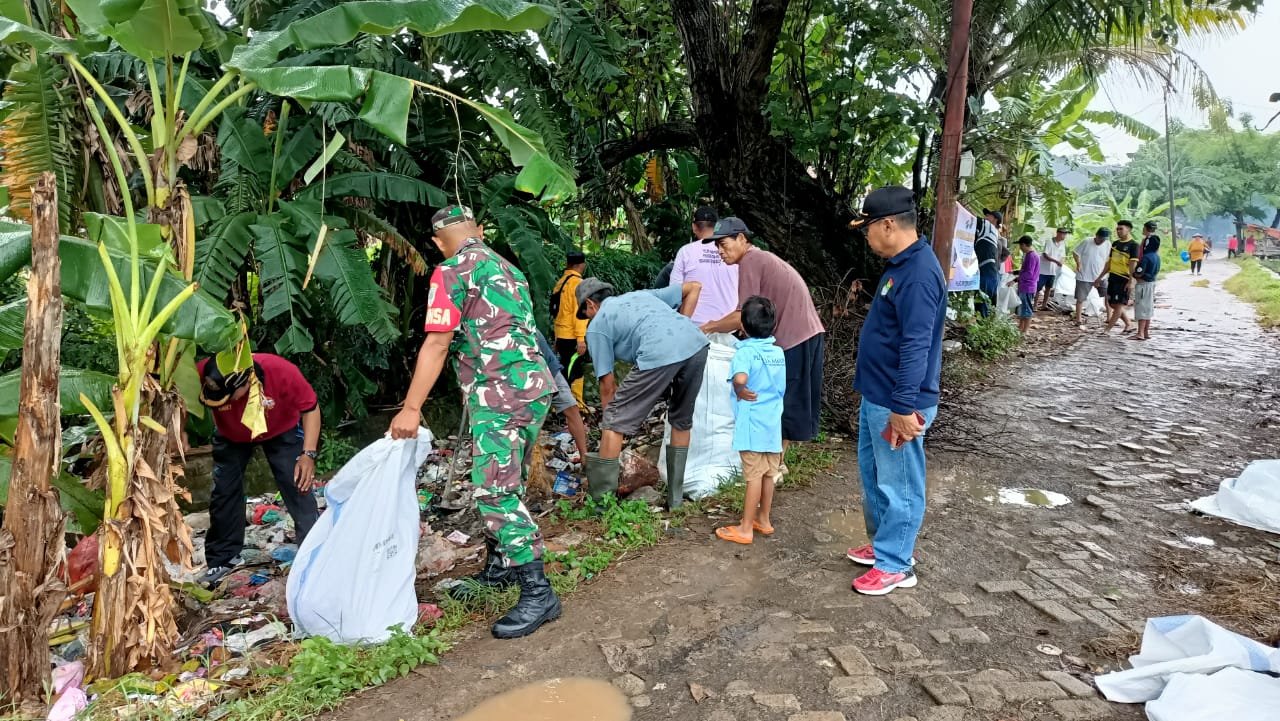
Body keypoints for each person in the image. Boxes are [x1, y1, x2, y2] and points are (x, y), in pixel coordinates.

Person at [389, 205, 559, 640]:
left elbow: (437, 343)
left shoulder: (450, 272)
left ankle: (538, 593)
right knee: (506, 480)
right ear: (478, 231)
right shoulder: (510, 270)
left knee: (494, 490)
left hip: (499, 394)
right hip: (533, 388)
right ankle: (501, 567)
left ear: (437, 242)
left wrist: (411, 408)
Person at [846, 187, 945, 596]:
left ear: (887, 224)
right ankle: (885, 544)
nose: (866, 236)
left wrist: (904, 406)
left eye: (867, 228)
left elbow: (916, 345)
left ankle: (897, 564)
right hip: (879, 395)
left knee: (900, 483)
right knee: (875, 477)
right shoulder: (899, 266)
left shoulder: (919, 274)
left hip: (898, 402)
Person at [701, 218, 825, 472]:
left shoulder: (751, 261)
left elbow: (741, 317)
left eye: (724, 244)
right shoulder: (759, 259)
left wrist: (708, 328)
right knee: (786, 397)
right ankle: (777, 463)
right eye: (717, 247)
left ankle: (775, 466)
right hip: (806, 332)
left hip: (796, 335)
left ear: (742, 239)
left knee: (785, 399)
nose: (720, 251)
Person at [577, 278, 708, 507]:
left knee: (613, 420)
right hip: (696, 343)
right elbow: (694, 286)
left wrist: (612, 424)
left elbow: (607, 386)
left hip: (658, 350)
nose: (588, 318)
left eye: (585, 313)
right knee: (681, 419)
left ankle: (602, 505)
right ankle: (676, 502)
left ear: (590, 304)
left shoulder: (598, 325)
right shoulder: (641, 295)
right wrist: (681, 327)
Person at [197, 353, 321, 587]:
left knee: (299, 485)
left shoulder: (282, 372)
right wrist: (180, 432)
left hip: (280, 429)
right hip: (231, 435)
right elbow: (177, 396)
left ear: (245, 383)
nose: (224, 404)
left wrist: (308, 454)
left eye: (228, 398)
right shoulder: (204, 370)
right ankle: (223, 560)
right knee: (224, 492)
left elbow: (311, 408)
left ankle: (315, 555)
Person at [714, 296, 787, 545]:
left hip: (752, 424)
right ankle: (763, 520)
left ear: (742, 326)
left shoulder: (744, 352)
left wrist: (739, 389)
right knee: (769, 473)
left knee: (753, 476)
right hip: (773, 424)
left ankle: (745, 528)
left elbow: (741, 378)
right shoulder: (778, 352)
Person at [670, 205, 739, 325]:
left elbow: (674, 292)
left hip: (693, 326)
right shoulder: (733, 252)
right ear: (718, 227)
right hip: (727, 326)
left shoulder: (686, 251)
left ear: (694, 227)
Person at [535, 329, 589, 464]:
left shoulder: (528, 328)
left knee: (571, 407)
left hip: (548, 368)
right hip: (522, 373)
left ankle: (585, 458)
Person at [552, 250, 589, 406]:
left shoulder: (561, 282)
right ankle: (576, 404)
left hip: (561, 335)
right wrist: (580, 339)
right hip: (572, 337)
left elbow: (557, 313)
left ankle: (562, 404)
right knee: (575, 371)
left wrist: (556, 338)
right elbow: (578, 314)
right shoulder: (578, 284)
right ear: (582, 265)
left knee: (565, 368)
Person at [1103, 220, 1140, 334]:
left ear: (1128, 230)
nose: (1118, 231)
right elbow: (1109, 263)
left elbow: (1133, 264)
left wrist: (1131, 280)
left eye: (1121, 229)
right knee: (1112, 304)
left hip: (1124, 278)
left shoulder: (1133, 245)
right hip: (1113, 277)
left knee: (1118, 305)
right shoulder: (1115, 244)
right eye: (1117, 229)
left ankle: (1107, 329)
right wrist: (1100, 276)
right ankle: (1129, 324)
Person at [1071, 228, 1111, 327]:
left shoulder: (1107, 244)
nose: (1102, 241)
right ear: (1096, 235)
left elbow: (1108, 259)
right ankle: (1078, 319)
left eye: (1104, 239)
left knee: (1108, 297)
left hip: (1101, 276)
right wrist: (1078, 263)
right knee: (1080, 298)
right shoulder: (1087, 241)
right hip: (1084, 276)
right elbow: (1075, 252)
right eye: (1100, 238)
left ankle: (1109, 318)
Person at [1007, 235, 1040, 333]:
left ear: (1024, 245)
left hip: (1027, 286)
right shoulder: (1031, 255)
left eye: (1020, 245)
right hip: (1026, 286)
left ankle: (1025, 330)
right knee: (1022, 308)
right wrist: (1015, 272)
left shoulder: (1031, 256)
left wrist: (1015, 280)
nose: (1020, 248)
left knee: (1027, 309)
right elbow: (1025, 270)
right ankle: (1021, 327)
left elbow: (1029, 274)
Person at [974, 208, 1003, 316]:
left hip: (986, 273)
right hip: (991, 273)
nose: (985, 217)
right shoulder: (995, 233)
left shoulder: (988, 226)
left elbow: (972, 217)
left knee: (981, 309)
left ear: (995, 219)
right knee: (985, 308)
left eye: (988, 215)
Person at [1133, 235, 1162, 341]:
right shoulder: (1156, 256)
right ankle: (1145, 332)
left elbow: (1139, 273)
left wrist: (1133, 273)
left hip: (1143, 285)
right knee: (1148, 308)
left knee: (1142, 309)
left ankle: (1140, 333)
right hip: (1152, 283)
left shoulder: (1146, 257)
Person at [1037, 227, 1069, 310]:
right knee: (1038, 288)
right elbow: (1045, 255)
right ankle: (1034, 306)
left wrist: (1061, 262)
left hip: (1053, 271)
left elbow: (1062, 256)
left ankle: (1044, 305)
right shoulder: (1049, 242)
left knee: (1048, 288)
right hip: (1043, 270)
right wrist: (1056, 261)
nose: (1064, 236)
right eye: (1063, 234)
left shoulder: (1062, 244)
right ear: (1058, 233)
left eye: (1065, 234)